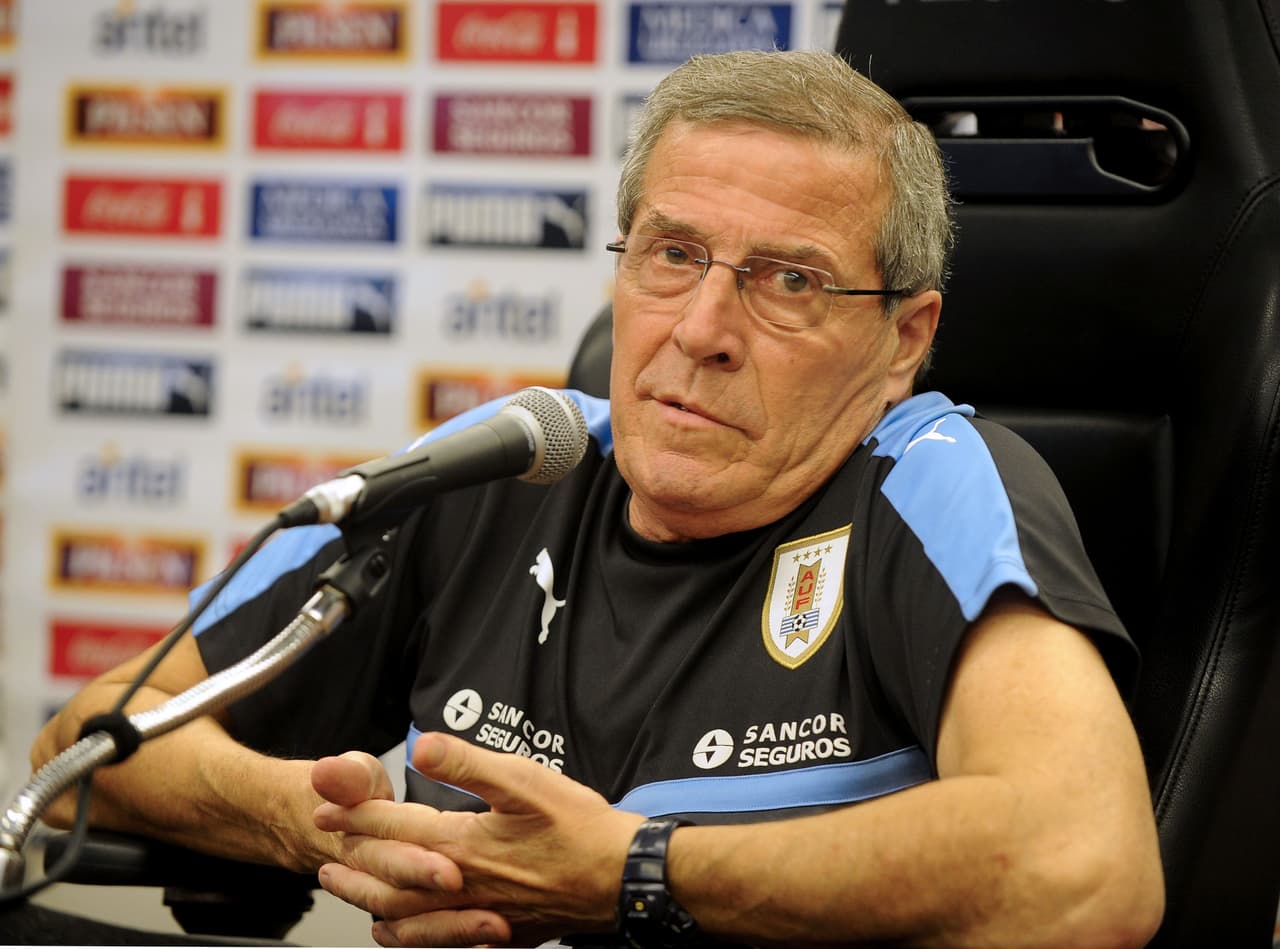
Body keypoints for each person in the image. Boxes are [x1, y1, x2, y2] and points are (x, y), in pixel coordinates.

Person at [30, 49, 1164, 948]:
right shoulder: (509, 463)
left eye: (789, 280)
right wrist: (319, 823)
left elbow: (1085, 868)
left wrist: (633, 871)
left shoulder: (933, 480)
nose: (701, 330)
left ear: (902, 338)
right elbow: (87, 738)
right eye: (671, 253)